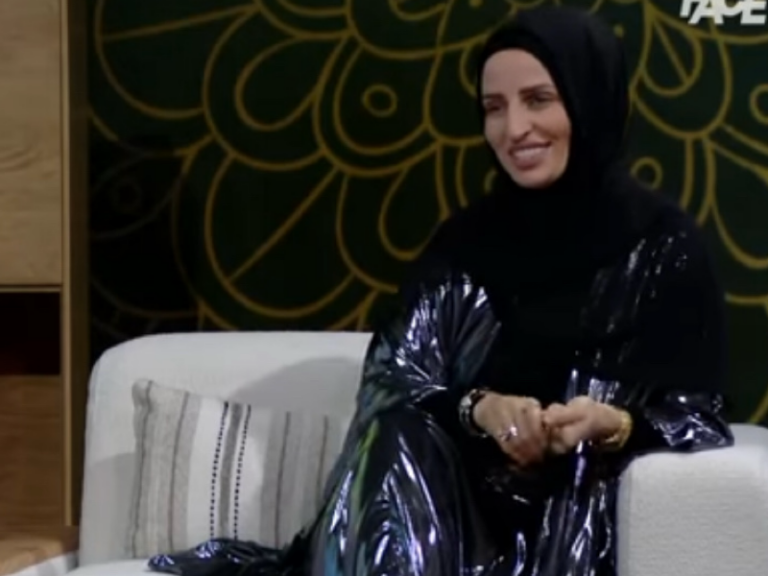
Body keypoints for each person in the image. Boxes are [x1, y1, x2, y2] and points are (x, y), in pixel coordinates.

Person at [148, 6, 733, 576]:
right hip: (435, 518)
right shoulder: (467, 243)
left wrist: (611, 424)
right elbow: (390, 380)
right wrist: (480, 408)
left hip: (567, 519)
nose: (514, 129)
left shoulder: (663, 246)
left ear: (590, 100)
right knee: (394, 432)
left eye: (538, 100)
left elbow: (699, 415)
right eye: (494, 108)